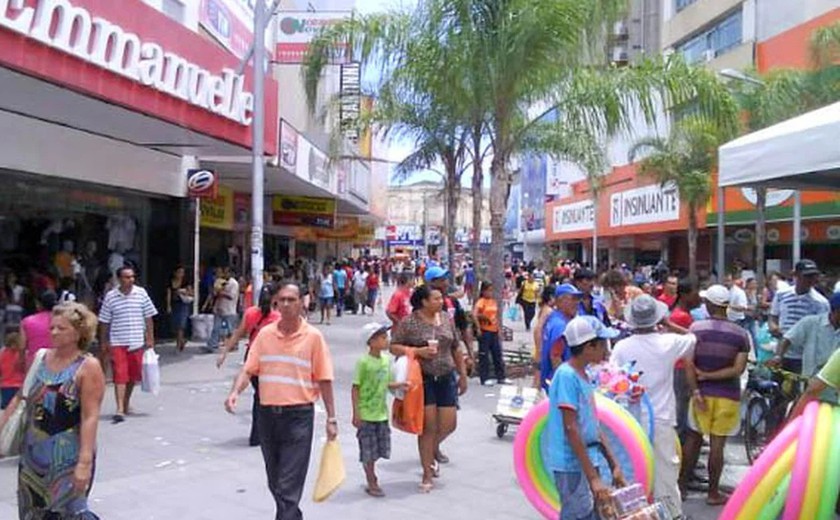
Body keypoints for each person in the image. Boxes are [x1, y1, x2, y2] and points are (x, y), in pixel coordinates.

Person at [224, 281, 337, 520]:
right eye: (282, 300)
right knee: (275, 481)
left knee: (287, 486)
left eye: (291, 300)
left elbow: (325, 378)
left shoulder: (313, 337)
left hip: (298, 417)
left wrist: (332, 417)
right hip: (268, 417)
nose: (285, 304)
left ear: (301, 303)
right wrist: (235, 392)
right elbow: (249, 369)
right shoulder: (265, 335)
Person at [0, 302, 105, 518]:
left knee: (66, 512)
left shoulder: (88, 366)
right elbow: (22, 395)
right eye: (52, 328)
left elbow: (89, 417)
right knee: (32, 511)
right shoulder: (41, 357)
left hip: (67, 456)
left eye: (61, 328)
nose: (54, 332)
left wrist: (84, 462)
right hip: (33, 453)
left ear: (78, 332)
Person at [611, 294, 697, 517]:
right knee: (665, 472)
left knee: (631, 470)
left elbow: (612, 380)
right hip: (661, 418)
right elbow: (692, 338)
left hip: (629, 420)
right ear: (656, 319)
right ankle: (671, 515)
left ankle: (632, 514)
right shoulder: (669, 342)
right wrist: (667, 324)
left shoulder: (621, 347)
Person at [390, 285, 468, 493]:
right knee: (427, 427)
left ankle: (431, 449)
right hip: (421, 379)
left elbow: (455, 346)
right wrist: (417, 351)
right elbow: (393, 346)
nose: (441, 301)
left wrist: (463, 374)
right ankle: (426, 471)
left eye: (441, 298)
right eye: (436, 299)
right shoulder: (410, 322)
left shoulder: (445, 318)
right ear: (424, 302)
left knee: (449, 423)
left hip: (446, 376)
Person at [680, 285, 750, 507]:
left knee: (693, 438)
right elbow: (738, 370)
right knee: (718, 444)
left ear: (710, 305)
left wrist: (697, 389)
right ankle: (713, 492)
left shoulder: (696, 328)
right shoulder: (741, 334)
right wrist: (712, 376)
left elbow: (688, 364)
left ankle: (680, 487)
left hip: (701, 394)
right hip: (728, 395)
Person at [548, 316, 625, 520]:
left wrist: (613, 462)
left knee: (596, 511)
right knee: (578, 514)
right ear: (589, 346)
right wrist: (593, 478)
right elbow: (571, 428)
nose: (606, 350)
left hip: (588, 458)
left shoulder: (584, 375)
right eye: (602, 344)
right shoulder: (567, 376)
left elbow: (592, 423)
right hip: (570, 463)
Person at [216, 283, 282, 446]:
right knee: (267, 398)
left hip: (251, 357)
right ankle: (266, 434)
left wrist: (224, 352)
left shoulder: (250, 313)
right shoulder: (277, 317)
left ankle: (257, 435)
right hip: (269, 361)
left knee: (259, 397)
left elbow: (238, 334)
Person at [352, 322, 406, 497]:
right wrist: (356, 413)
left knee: (380, 448)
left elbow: (386, 383)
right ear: (371, 341)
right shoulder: (363, 362)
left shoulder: (386, 361)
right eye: (383, 338)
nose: (387, 340)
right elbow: (356, 388)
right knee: (368, 449)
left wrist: (401, 385)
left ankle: (371, 472)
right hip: (366, 413)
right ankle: (371, 479)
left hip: (381, 413)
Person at [98, 266, 158, 423]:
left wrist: (150, 338)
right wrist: (103, 342)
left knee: (133, 376)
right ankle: (119, 409)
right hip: (118, 342)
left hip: (137, 341)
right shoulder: (111, 297)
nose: (130, 280)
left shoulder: (141, 294)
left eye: (132, 277)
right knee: (120, 375)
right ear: (119, 279)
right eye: (126, 277)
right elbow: (104, 321)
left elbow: (149, 317)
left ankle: (125, 402)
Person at [769, 259, 830, 374]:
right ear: (795, 275)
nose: (810, 280)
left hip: (805, 355)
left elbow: (822, 330)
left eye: (813, 276)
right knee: (778, 387)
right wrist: (773, 326)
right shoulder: (781, 294)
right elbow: (773, 316)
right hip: (781, 352)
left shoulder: (820, 302)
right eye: (806, 276)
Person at [775, 291, 840, 380]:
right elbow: (787, 339)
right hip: (811, 378)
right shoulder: (810, 323)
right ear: (834, 310)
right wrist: (778, 356)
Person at [539, 283, 583, 391]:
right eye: (573, 299)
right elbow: (555, 356)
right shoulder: (560, 325)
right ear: (560, 301)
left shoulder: (555, 318)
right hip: (557, 385)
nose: (577, 303)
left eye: (578, 299)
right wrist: (565, 386)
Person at [474, 281, 507, 386]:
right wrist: (478, 327)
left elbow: (495, 316)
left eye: (491, 290)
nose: (490, 292)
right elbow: (474, 314)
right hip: (485, 330)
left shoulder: (493, 301)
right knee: (484, 355)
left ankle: (501, 377)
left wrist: (499, 330)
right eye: (488, 290)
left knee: (497, 354)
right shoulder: (481, 301)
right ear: (483, 291)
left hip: (494, 330)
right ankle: (484, 377)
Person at [20, 290, 58, 367]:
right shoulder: (62, 321)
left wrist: (21, 362)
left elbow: (22, 346)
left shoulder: (27, 321)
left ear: (38, 304)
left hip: (33, 365)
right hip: (57, 363)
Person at [205, 267, 239, 353]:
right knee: (216, 328)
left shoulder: (233, 283)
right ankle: (213, 345)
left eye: (227, 272)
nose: (225, 274)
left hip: (229, 309)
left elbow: (231, 296)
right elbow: (214, 293)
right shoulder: (220, 281)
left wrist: (221, 292)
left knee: (230, 329)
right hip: (219, 308)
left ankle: (234, 344)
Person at [532, 284, 556, 388]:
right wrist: (540, 348)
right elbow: (538, 329)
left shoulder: (545, 309)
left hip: (542, 347)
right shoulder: (548, 310)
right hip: (542, 348)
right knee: (539, 377)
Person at [165, 266, 193, 353]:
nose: (181, 274)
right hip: (175, 304)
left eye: (182, 272)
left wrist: (182, 291)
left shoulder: (185, 282)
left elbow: (191, 293)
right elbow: (168, 294)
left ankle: (178, 344)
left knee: (181, 325)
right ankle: (182, 340)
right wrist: (168, 305)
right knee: (175, 325)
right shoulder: (171, 282)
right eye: (179, 272)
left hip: (183, 304)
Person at [0, 330, 24, 409]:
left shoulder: (2, 353)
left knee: (6, 408)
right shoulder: (21, 354)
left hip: (8, 384)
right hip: (15, 384)